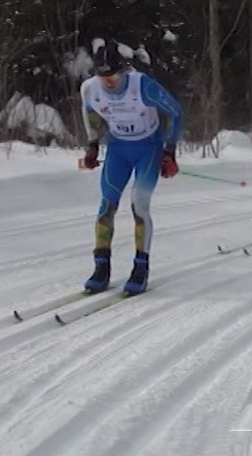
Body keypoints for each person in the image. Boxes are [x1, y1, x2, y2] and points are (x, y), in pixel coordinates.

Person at [79, 39, 184, 295]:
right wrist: (92, 145)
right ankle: (101, 266)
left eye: (113, 76)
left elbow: (175, 112)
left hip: (148, 148)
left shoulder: (142, 85)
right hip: (118, 150)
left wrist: (169, 150)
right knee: (107, 204)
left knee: (139, 204)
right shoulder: (90, 88)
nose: (108, 82)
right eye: (103, 76)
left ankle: (140, 267)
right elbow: (89, 112)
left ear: (123, 69)